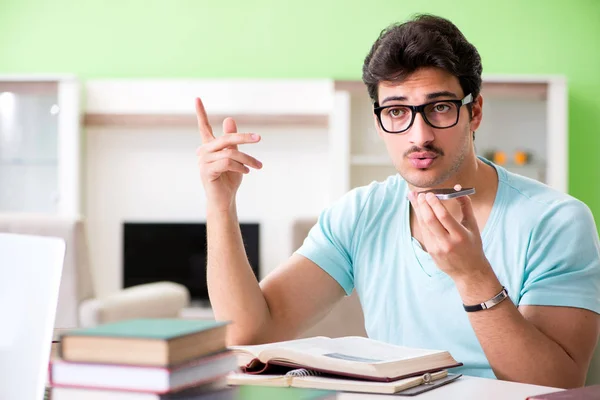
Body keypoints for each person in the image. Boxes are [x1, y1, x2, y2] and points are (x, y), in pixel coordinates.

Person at [194, 14, 600, 388]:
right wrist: (220, 202)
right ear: (379, 122)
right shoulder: (360, 214)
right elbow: (249, 334)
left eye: (439, 108)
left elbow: (556, 386)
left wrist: (473, 275)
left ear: (474, 112)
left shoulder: (557, 221)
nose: (418, 135)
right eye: (397, 111)